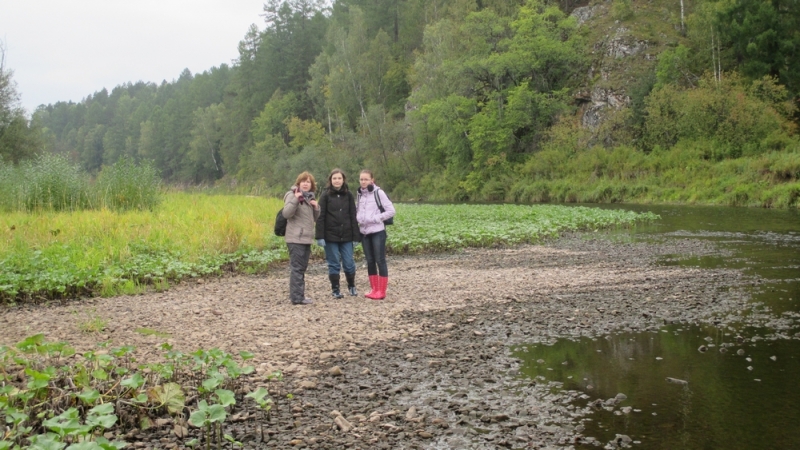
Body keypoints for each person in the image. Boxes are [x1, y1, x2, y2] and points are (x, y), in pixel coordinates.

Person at [315, 169, 361, 298]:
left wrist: (356, 236)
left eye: (339, 178)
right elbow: (320, 216)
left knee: (348, 262)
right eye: (334, 178)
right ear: (330, 180)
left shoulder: (349, 195)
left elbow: (353, 215)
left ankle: (351, 285)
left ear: (343, 180)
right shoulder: (325, 195)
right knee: (334, 262)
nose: (337, 181)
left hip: (347, 235)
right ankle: (335, 289)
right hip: (330, 236)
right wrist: (320, 236)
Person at [356, 170, 395, 300]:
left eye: (366, 179)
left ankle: (382, 291)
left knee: (380, 260)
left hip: (378, 231)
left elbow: (391, 211)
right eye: (361, 179)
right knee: (370, 261)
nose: (363, 182)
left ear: (372, 180)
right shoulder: (359, 194)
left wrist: (376, 218)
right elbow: (359, 210)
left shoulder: (379, 192)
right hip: (364, 232)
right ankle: (374, 289)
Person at [282, 171, 320, 305]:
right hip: (295, 238)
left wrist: (316, 208)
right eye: (303, 181)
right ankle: (297, 298)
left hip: (307, 238)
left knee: (302, 268)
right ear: (298, 183)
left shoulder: (310, 198)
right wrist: (295, 199)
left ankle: (299, 295)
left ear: (312, 185)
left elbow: (315, 219)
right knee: (297, 268)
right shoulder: (291, 195)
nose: (305, 184)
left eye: (308, 181)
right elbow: (286, 213)